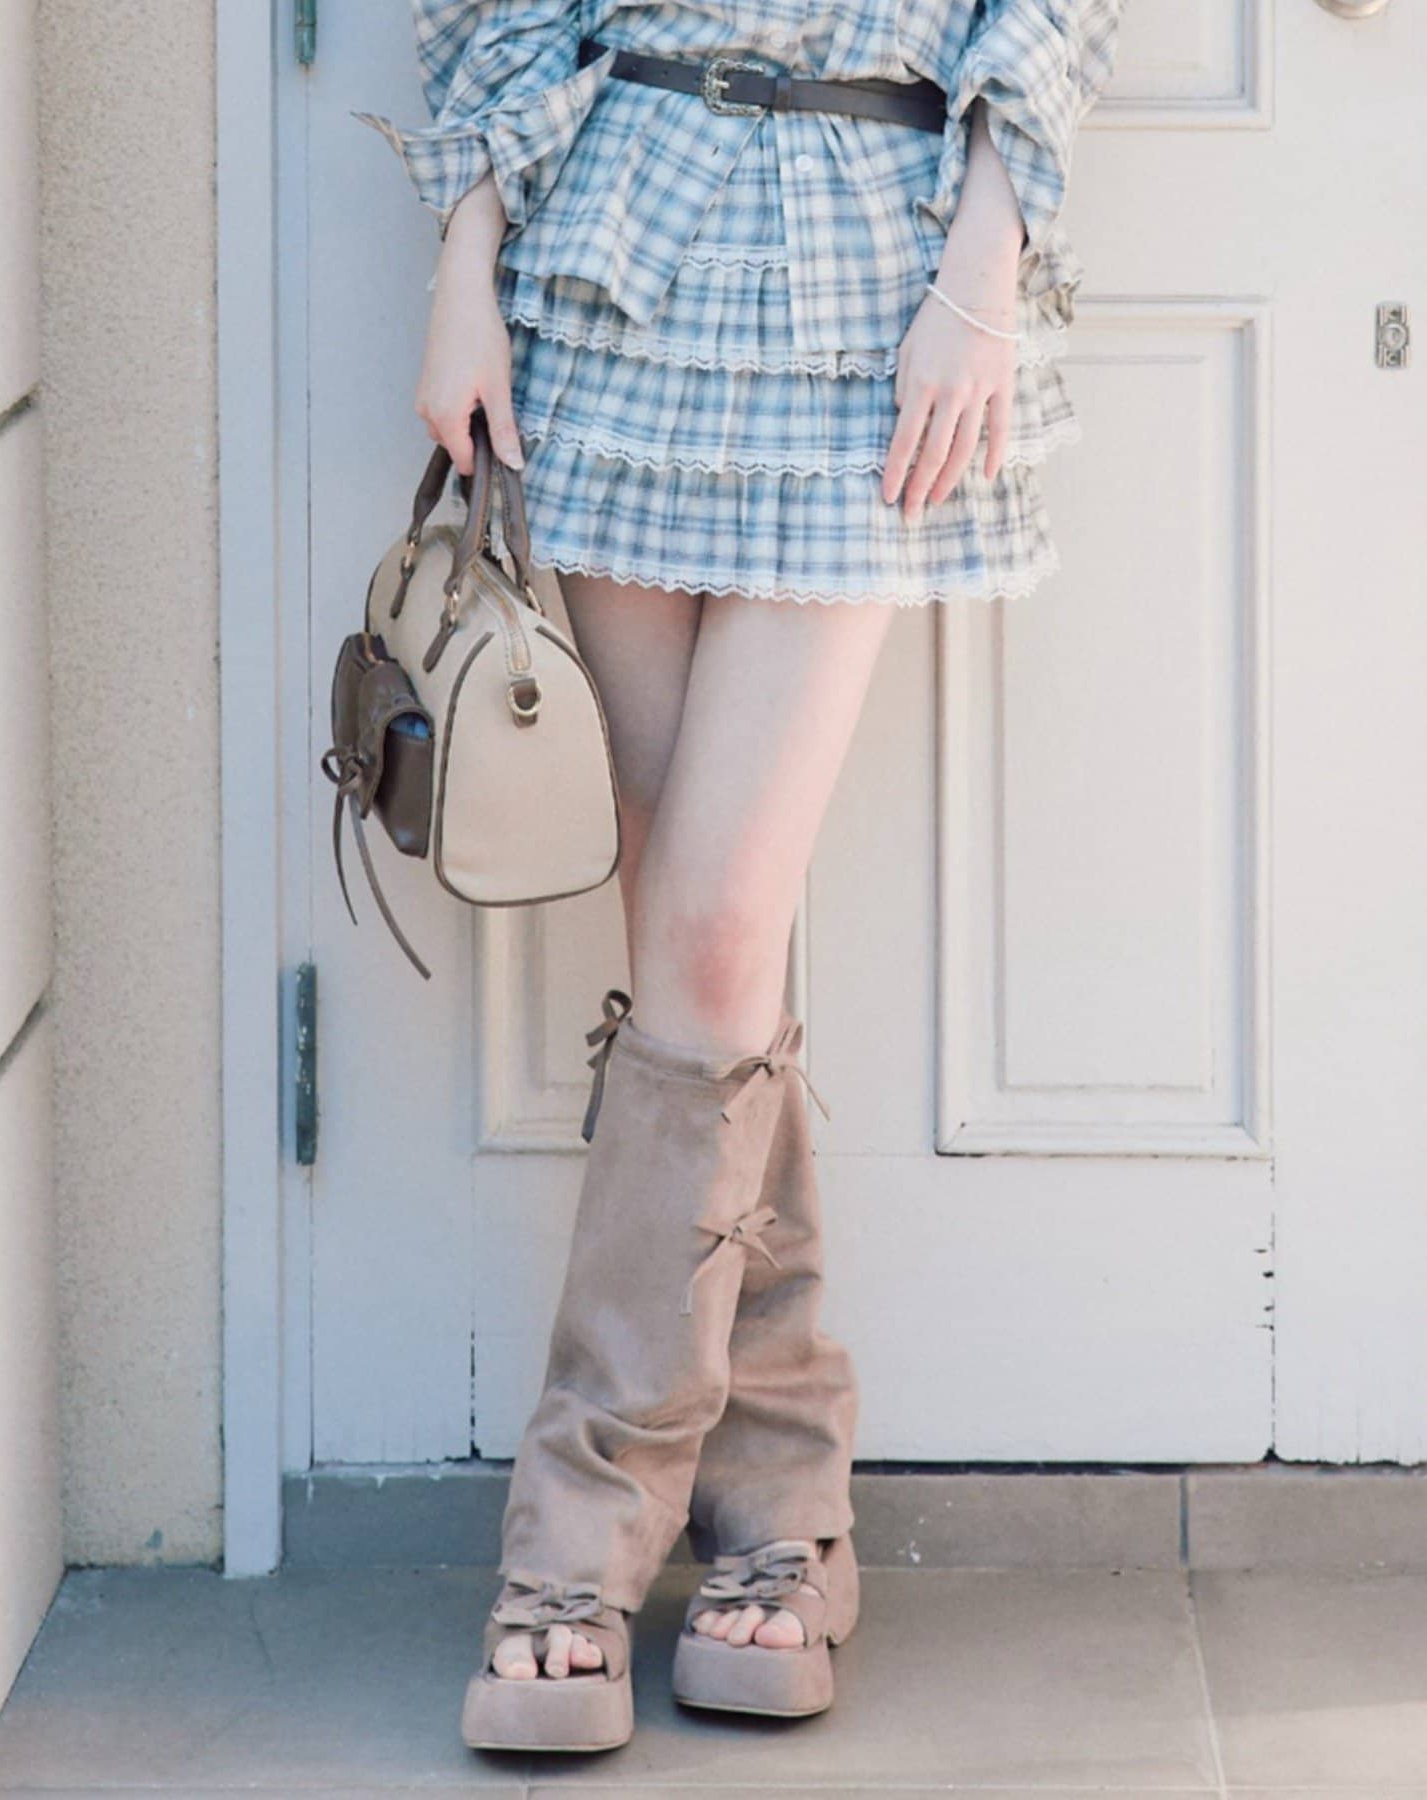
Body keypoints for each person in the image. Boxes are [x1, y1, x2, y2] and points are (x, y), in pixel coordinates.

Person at [357, 0, 1123, 1754]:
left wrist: (985, 266)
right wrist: (462, 270)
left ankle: (578, 1527)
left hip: (869, 277)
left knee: (708, 936)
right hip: (619, 262)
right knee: (701, 942)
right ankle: (780, 1506)